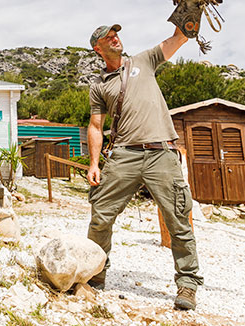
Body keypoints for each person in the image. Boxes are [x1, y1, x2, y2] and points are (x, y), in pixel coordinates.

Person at [86, 23, 202, 310]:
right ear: (97, 48)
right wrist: (93, 163)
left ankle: (187, 285)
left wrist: (187, 14)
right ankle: (95, 275)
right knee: (101, 215)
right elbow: (95, 126)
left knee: (178, 218)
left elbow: (179, 38)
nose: (115, 38)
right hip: (124, 154)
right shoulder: (99, 85)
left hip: (161, 151)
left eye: (116, 34)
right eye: (107, 37)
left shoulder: (144, 60)